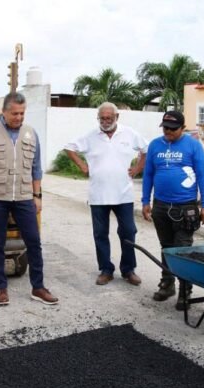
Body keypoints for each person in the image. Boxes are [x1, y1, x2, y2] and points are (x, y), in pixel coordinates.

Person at [0, 92, 58, 307]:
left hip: (23, 197)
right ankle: (1, 287)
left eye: (22, 113)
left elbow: (36, 168)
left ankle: (38, 287)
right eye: (15, 113)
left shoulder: (31, 133)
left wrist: (37, 195)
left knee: (34, 242)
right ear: (4, 111)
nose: (19, 117)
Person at [65, 102, 148, 286]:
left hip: (123, 194)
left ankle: (128, 270)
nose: (105, 121)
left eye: (109, 118)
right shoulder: (91, 136)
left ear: (117, 117)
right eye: (102, 118)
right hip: (98, 195)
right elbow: (69, 147)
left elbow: (146, 150)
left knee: (128, 231)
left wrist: (137, 169)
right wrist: (81, 165)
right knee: (100, 234)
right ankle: (106, 269)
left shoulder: (129, 133)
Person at [141, 111, 204, 310]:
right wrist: (145, 201)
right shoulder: (155, 145)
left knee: (183, 250)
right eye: (165, 128)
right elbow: (148, 175)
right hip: (161, 205)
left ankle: (184, 290)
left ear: (182, 128)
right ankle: (167, 283)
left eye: (173, 129)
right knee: (166, 247)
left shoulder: (193, 145)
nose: (168, 132)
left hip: (186, 206)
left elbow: (202, 176)